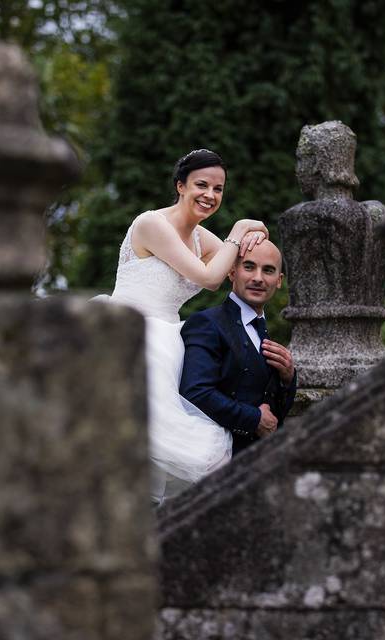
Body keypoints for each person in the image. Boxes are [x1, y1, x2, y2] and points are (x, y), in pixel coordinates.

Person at [99, 149, 269, 504]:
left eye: (218, 189)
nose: (210, 195)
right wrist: (241, 228)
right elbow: (210, 277)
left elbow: (235, 259)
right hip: (131, 333)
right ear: (180, 186)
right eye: (202, 185)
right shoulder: (151, 224)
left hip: (171, 336)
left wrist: (258, 229)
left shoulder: (199, 237)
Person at [179, 239, 297, 457]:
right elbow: (194, 392)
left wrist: (287, 378)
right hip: (219, 463)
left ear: (279, 281)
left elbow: (274, 409)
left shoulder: (262, 329)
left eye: (268, 270)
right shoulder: (206, 323)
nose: (258, 278)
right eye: (249, 267)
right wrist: (253, 419)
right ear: (232, 272)